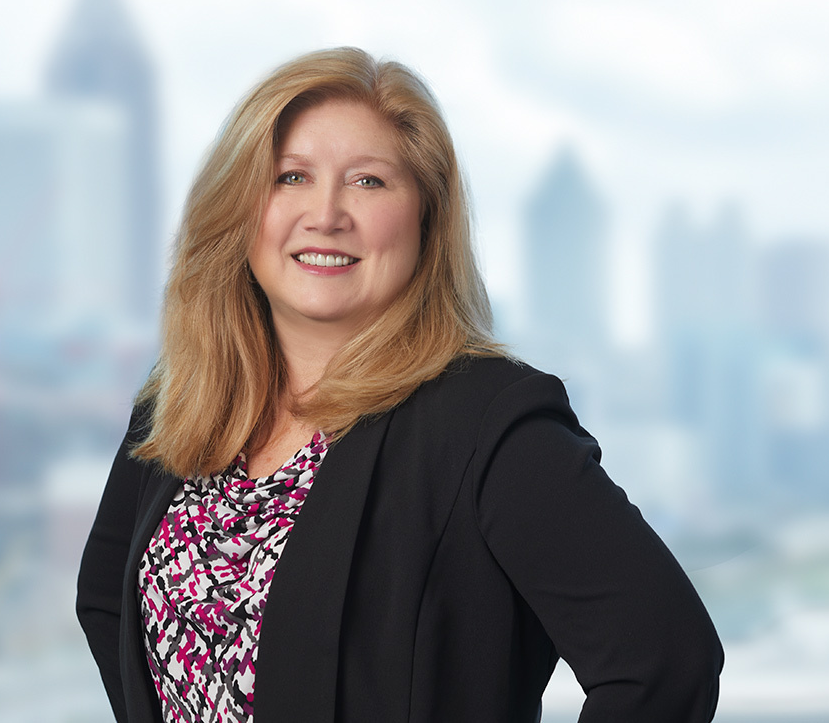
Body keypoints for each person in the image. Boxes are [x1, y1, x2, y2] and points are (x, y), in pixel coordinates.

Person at [76, 47, 723, 723]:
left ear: (426, 218)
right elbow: (104, 600)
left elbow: (664, 660)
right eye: (291, 176)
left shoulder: (488, 423)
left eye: (369, 182)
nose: (326, 214)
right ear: (238, 208)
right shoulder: (185, 399)